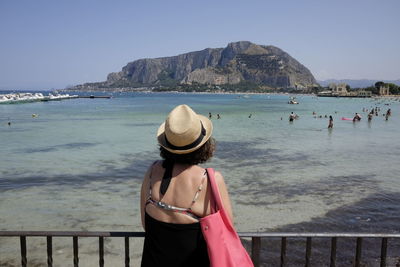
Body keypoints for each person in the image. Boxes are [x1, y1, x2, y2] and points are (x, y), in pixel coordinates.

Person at [140, 104, 233, 267]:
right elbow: (226, 233)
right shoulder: (210, 180)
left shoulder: (152, 172)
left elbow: (145, 224)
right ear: (203, 144)